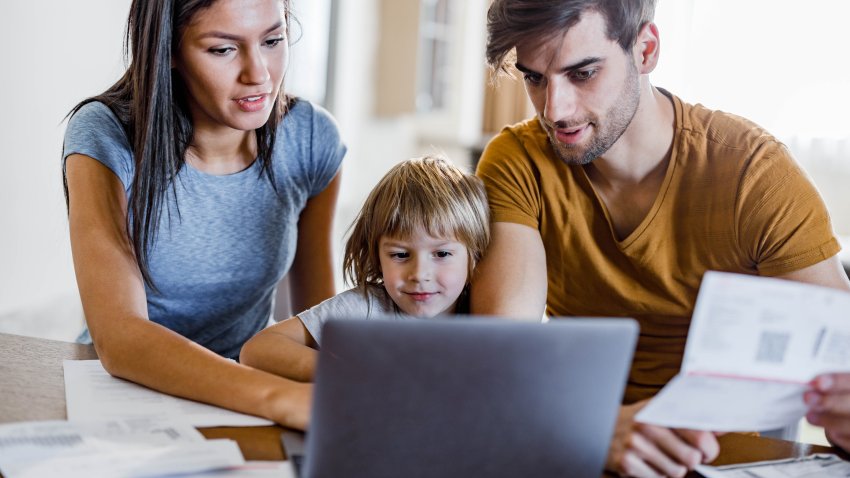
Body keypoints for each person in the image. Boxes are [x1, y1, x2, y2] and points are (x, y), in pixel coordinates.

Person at [473, 0, 850, 476]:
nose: (555, 110)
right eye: (534, 78)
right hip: (577, 442)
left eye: (583, 73)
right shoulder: (517, 162)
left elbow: (840, 356)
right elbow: (502, 357)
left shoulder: (753, 173)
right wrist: (590, 427)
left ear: (646, 49)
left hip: (721, 459)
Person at [61, 0, 345, 430]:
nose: (259, 74)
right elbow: (119, 337)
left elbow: (316, 324)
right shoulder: (105, 134)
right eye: (222, 50)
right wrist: (278, 398)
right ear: (168, 51)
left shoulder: (310, 138)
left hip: (248, 392)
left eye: (272, 40)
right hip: (125, 390)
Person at [240, 156, 490, 382]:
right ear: (377, 255)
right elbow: (258, 349)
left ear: (474, 254)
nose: (419, 275)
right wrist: (355, 371)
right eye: (400, 255)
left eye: (442, 254)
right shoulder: (367, 307)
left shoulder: (488, 311)